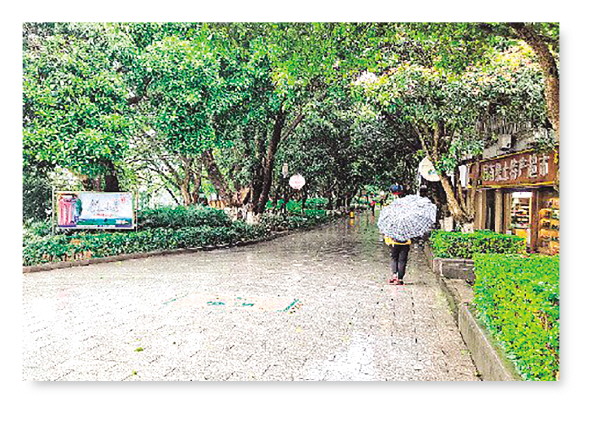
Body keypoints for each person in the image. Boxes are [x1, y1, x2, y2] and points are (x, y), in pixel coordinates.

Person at [383, 184, 411, 285]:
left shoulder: (392, 216)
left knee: (394, 258)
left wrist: (387, 237)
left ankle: (394, 276)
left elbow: (387, 226)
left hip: (393, 240)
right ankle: (400, 279)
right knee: (402, 260)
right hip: (406, 241)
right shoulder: (408, 217)